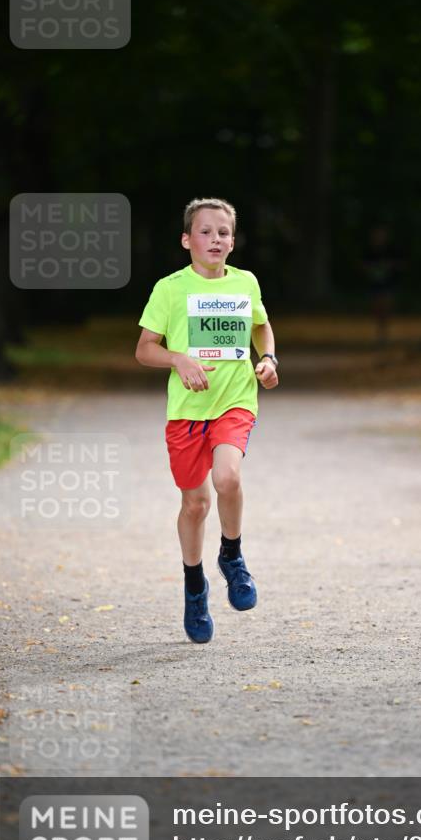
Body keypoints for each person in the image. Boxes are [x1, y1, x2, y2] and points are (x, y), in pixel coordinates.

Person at [135, 197, 278, 644]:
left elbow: (261, 326)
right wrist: (178, 359)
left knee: (227, 478)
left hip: (235, 401)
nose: (215, 239)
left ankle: (232, 556)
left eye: (223, 232)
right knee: (195, 505)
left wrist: (268, 358)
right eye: (205, 231)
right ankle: (195, 586)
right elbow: (144, 349)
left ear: (232, 242)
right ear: (186, 240)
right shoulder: (169, 289)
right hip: (186, 412)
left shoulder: (246, 283)